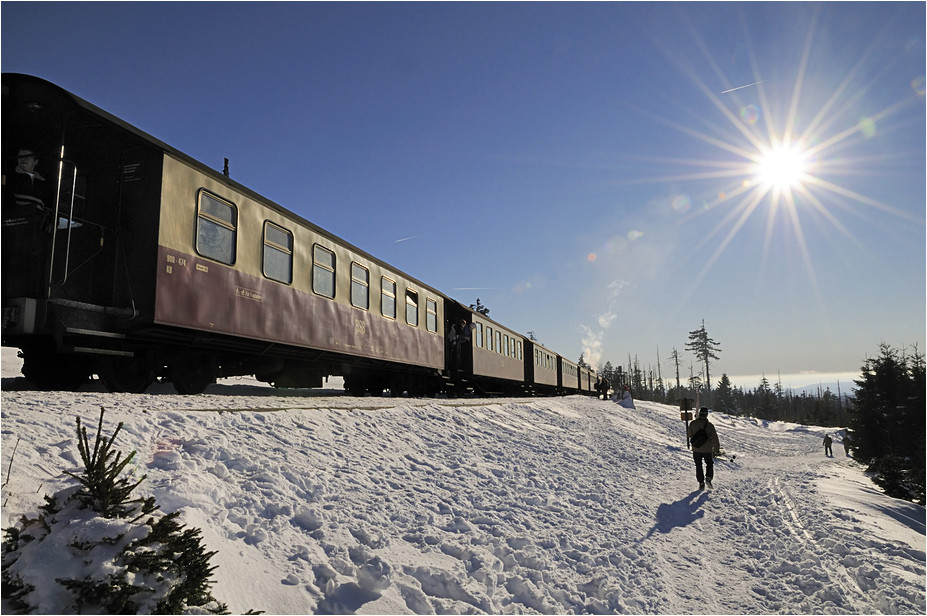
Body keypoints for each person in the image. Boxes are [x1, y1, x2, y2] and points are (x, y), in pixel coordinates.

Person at [686, 407, 721, 489]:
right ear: (706, 415)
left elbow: (689, 435)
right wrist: (716, 449)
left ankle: (701, 482)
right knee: (709, 463)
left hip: (696, 449)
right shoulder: (710, 425)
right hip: (707, 449)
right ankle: (708, 478)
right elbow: (715, 438)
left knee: (698, 465)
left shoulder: (693, 423)